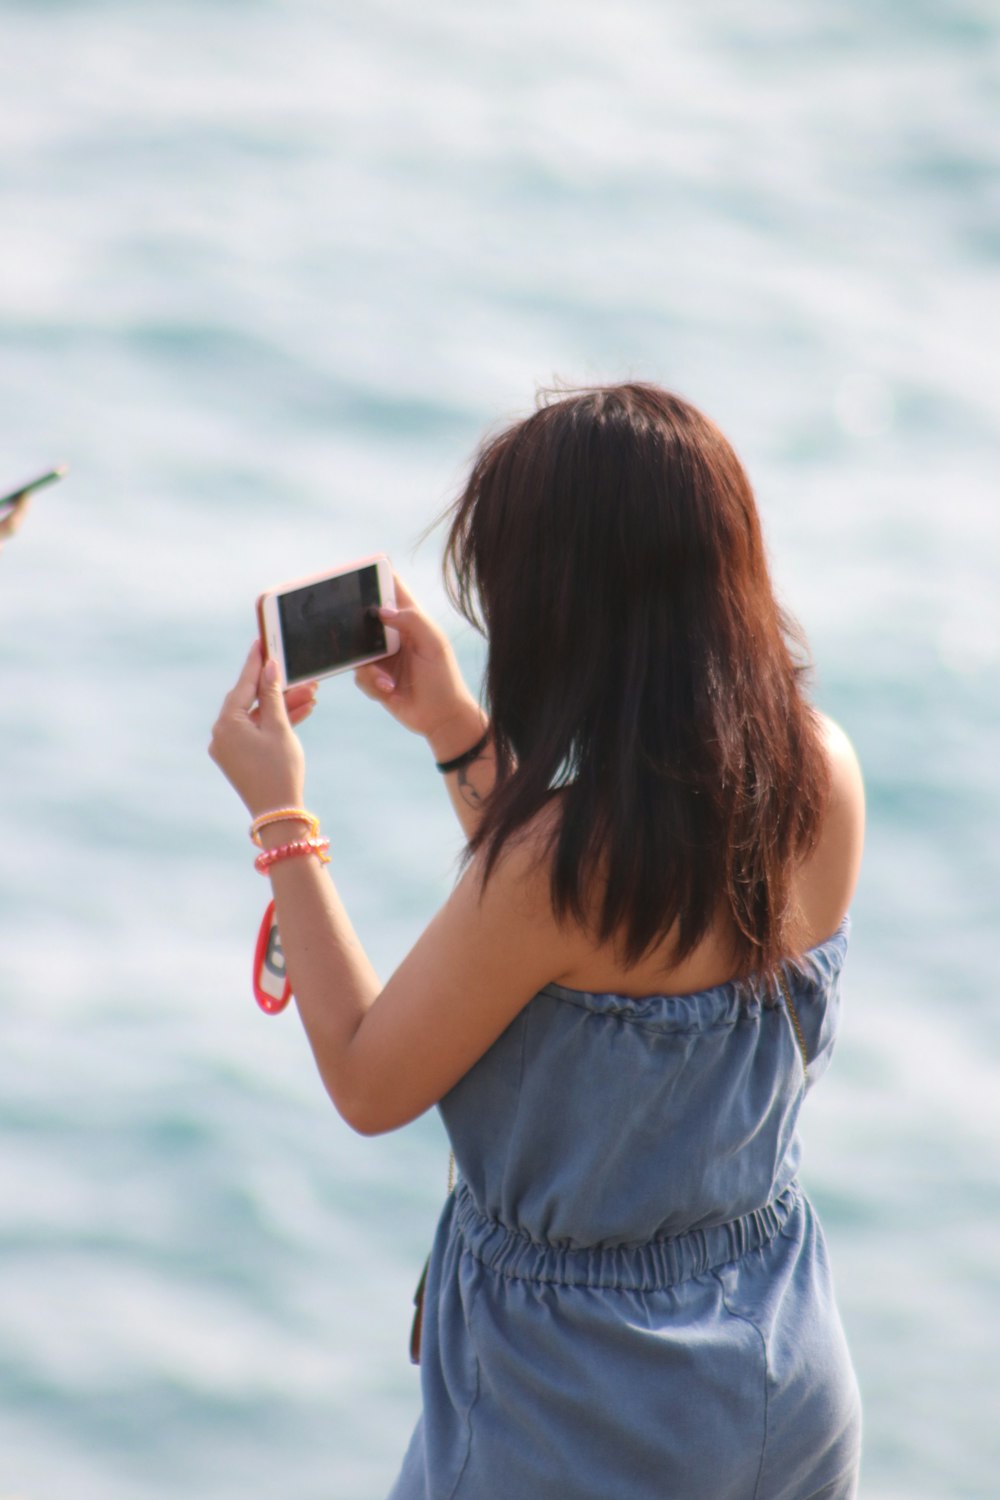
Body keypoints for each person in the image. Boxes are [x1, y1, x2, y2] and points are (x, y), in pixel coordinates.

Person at [209, 382, 865, 1500]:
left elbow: (370, 1078)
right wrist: (458, 730)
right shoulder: (815, 768)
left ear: (569, 613)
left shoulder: (556, 868)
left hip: (575, 1408)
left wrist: (279, 817)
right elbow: (605, 928)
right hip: (776, 1372)